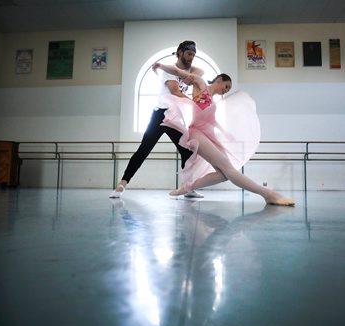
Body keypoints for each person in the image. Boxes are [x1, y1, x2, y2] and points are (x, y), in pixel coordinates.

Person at [152, 63, 295, 206]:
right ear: (219, 80)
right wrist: (160, 66)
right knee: (229, 169)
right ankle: (268, 194)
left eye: (228, 89)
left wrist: (226, 133)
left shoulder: (213, 101)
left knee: (224, 175)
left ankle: (188, 187)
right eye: (226, 86)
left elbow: (211, 122)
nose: (225, 90)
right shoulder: (201, 85)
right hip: (197, 134)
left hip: (207, 136)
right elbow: (177, 71)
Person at [110, 40, 204, 198]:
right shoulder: (170, 71)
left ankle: (188, 188)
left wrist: (190, 76)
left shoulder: (190, 69)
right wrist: (194, 104)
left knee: (187, 151)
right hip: (161, 114)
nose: (191, 57)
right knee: (144, 149)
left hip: (176, 118)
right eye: (189, 54)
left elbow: (200, 71)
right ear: (180, 52)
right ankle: (121, 185)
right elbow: (175, 91)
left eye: (194, 55)